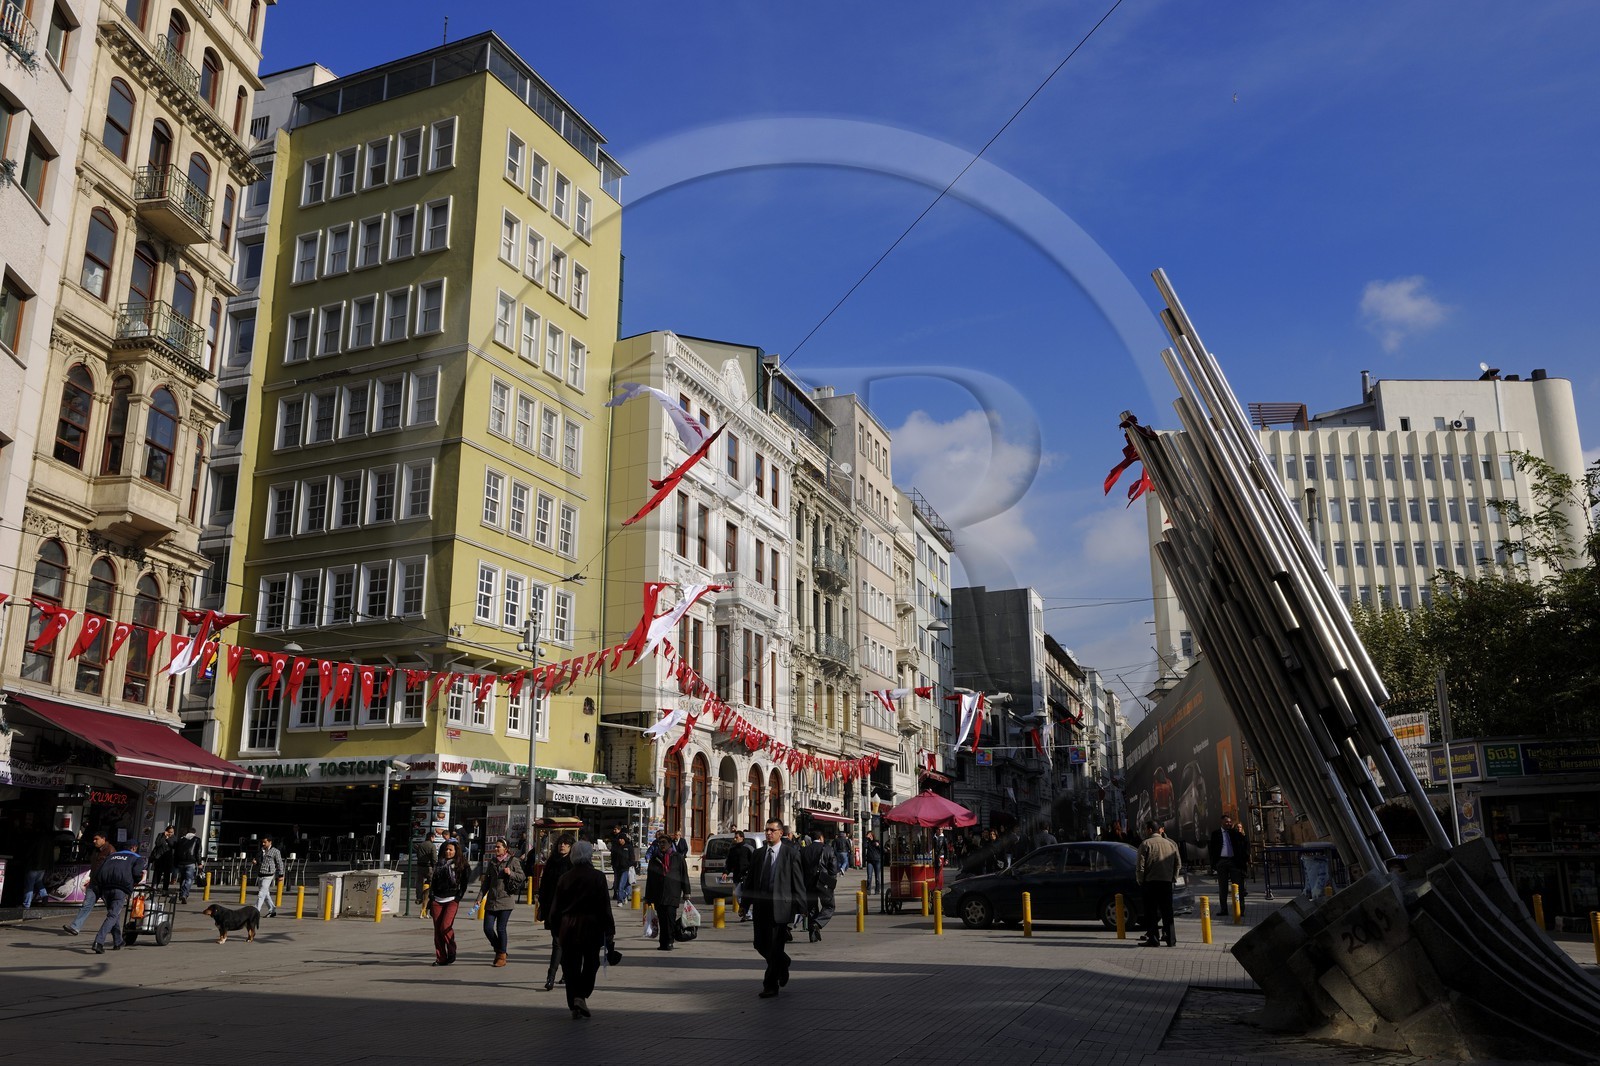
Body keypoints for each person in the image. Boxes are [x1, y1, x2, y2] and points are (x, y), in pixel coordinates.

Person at [548, 840, 616, 1019]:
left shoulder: (565, 878)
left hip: (568, 927)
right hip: (591, 927)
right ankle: (581, 996)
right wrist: (609, 930)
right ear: (589, 856)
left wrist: (555, 927)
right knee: (591, 963)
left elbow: (556, 907)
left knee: (571, 967)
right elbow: (604, 906)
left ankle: (575, 1003)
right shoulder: (598, 877)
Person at [742, 819, 806, 999]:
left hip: (781, 908)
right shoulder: (758, 854)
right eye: (766, 830)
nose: (768, 833)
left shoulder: (790, 854)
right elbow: (751, 882)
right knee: (760, 944)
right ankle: (783, 962)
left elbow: (797, 882)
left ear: (780, 833)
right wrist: (745, 904)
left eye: (772, 830)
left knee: (776, 946)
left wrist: (802, 907)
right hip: (761, 907)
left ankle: (770, 985)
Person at [90, 840, 146, 955]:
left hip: (105, 888)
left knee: (113, 914)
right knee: (112, 915)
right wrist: (134, 881)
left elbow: (99, 871)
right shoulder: (137, 858)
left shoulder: (112, 856)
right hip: (120, 889)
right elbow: (136, 873)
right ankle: (98, 942)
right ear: (134, 848)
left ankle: (118, 941)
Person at [476, 838, 525, 967]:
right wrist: (479, 898)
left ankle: (501, 956)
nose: (496, 849)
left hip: (506, 900)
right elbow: (486, 883)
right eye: (495, 847)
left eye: (499, 847)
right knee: (487, 928)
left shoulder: (513, 861)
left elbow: (522, 876)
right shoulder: (492, 862)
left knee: (501, 928)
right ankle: (500, 949)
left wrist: (511, 873)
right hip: (492, 900)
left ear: (505, 848)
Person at [1135, 821, 1181, 947]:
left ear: (1150, 830)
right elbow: (1178, 863)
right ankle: (1171, 939)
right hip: (1166, 882)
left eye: (1146, 829)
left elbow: (1140, 866)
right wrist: (1173, 877)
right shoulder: (1170, 844)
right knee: (1167, 911)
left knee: (1151, 912)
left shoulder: (1145, 844)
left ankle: (1153, 939)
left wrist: (1140, 880)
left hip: (1150, 883)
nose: (1144, 832)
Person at [538, 834, 575, 990]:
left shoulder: (574, 863)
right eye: (561, 843)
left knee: (562, 945)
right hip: (553, 908)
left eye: (566, 844)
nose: (563, 846)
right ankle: (551, 977)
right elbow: (544, 884)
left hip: (570, 910)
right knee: (557, 943)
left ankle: (556, 975)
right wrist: (541, 903)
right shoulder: (551, 862)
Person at [643, 829, 689, 951]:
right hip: (658, 894)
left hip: (672, 893)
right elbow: (650, 879)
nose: (662, 845)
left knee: (670, 918)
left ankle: (669, 941)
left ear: (670, 843)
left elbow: (684, 875)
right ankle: (663, 943)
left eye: (664, 842)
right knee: (662, 919)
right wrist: (648, 897)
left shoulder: (678, 858)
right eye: (659, 843)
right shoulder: (655, 859)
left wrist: (687, 892)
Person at [426, 838, 469, 965]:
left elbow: (464, 883)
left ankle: (451, 951)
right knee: (437, 930)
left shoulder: (462, 865)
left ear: (456, 851)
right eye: (446, 849)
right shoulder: (439, 864)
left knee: (445, 926)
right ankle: (441, 958)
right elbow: (432, 881)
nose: (448, 852)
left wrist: (458, 897)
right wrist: (432, 896)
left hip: (452, 899)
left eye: (450, 850)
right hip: (437, 900)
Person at [63, 831, 115, 936]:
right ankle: (75, 927)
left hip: (105, 885)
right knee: (86, 905)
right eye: (94, 839)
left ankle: (115, 931)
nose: (94, 841)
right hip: (94, 883)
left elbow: (113, 868)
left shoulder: (111, 850)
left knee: (111, 909)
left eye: (96, 839)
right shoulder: (95, 851)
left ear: (103, 839)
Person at [799, 830, 838, 942]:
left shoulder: (804, 850)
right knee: (829, 906)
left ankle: (813, 935)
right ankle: (817, 923)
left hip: (808, 883)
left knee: (811, 908)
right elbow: (833, 868)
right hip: (824, 882)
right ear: (821, 838)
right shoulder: (828, 849)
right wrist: (832, 881)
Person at [1208, 813, 1249, 910]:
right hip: (1221, 861)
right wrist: (1214, 864)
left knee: (1238, 886)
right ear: (1222, 822)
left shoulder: (1234, 833)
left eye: (1230, 822)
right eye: (1226, 822)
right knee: (1223, 887)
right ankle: (1224, 909)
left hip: (1233, 861)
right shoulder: (1215, 834)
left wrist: (1243, 860)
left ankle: (1240, 908)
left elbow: (1243, 843)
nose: (1228, 824)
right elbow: (1212, 850)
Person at [725, 829, 754, 920]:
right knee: (738, 895)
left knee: (747, 896)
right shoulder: (732, 850)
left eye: (736, 837)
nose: (735, 839)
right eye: (734, 837)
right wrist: (726, 872)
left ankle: (747, 913)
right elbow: (729, 863)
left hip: (747, 877)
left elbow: (754, 861)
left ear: (742, 838)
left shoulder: (748, 848)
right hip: (737, 876)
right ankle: (746, 912)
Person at [254, 834, 285, 917]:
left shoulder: (275, 851)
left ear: (270, 842)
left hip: (269, 875)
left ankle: (255, 911)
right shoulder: (261, 850)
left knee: (261, 894)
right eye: (262, 842)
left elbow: (280, 863)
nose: (263, 844)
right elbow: (257, 859)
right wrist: (255, 862)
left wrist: (281, 874)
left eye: (265, 842)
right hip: (260, 874)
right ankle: (272, 910)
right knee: (265, 894)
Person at [173, 827, 203, 903]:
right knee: (189, 879)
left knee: (183, 879)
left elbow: (176, 852)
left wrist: (176, 863)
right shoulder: (197, 839)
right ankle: (184, 894)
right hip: (191, 862)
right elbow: (198, 852)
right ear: (194, 833)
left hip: (181, 862)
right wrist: (199, 863)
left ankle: (181, 894)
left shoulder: (181, 839)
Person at [608, 829, 635, 906]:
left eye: (622, 839)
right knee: (616, 885)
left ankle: (620, 901)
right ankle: (625, 895)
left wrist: (629, 864)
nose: (620, 840)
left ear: (624, 839)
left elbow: (632, 858)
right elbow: (613, 857)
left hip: (625, 869)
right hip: (617, 868)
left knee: (621, 885)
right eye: (619, 839)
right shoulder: (615, 847)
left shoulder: (629, 847)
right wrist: (613, 864)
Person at [149, 826, 176, 892]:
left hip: (168, 858)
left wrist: (168, 839)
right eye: (169, 832)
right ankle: (154, 887)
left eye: (172, 832)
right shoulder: (160, 835)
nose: (170, 834)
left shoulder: (173, 837)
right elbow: (157, 844)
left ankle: (165, 889)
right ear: (166, 831)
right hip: (159, 858)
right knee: (157, 874)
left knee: (167, 875)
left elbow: (173, 846)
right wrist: (164, 836)